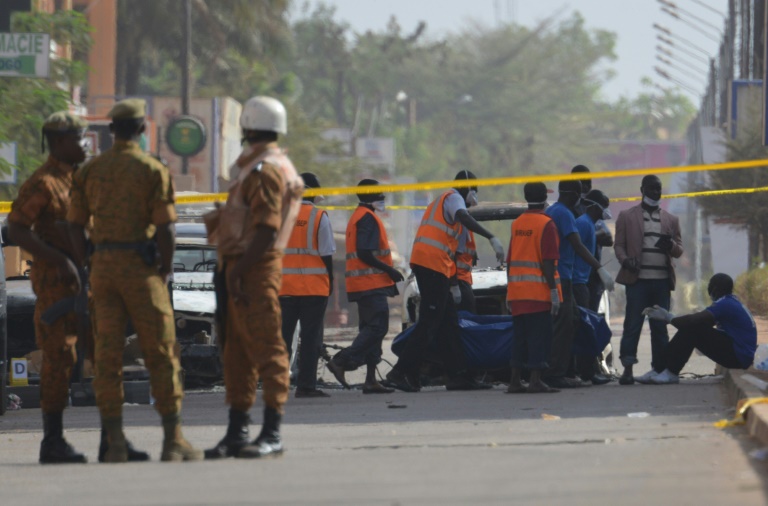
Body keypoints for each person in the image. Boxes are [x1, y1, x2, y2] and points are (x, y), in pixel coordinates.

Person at [67, 99, 201, 463]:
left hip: (103, 271)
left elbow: (74, 226)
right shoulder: (151, 169)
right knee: (161, 352)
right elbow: (166, 228)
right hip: (141, 271)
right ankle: (173, 441)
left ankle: (115, 443)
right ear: (142, 129)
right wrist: (165, 270)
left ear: (112, 130)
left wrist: (88, 261)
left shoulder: (90, 170)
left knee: (107, 357)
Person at [9, 112, 146, 464]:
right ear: (58, 143)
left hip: (92, 284)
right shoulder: (43, 183)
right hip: (57, 287)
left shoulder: (82, 180)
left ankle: (111, 441)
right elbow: (16, 229)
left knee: (107, 357)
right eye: (78, 138)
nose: (85, 144)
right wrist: (58, 260)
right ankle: (52, 442)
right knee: (59, 361)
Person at [204, 96, 304, 459]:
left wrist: (239, 272)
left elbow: (266, 228)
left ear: (247, 127)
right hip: (241, 265)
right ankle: (237, 431)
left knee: (267, 349)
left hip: (254, 268)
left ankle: (272, 432)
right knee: (237, 353)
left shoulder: (265, 169)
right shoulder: (258, 165)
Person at [385, 170, 505, 392]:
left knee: (448, 323)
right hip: (430, 265)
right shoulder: (452, 197)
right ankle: (400, 372)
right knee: (430, 322)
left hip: (436, 267)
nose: (474, 198)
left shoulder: (445, 210)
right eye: (474, 192)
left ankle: (458, 375)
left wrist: (452, 285)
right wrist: (491, 236)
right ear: (467, 188)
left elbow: (452, 252)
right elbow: (464, 216)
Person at [326, 180, 400, 394]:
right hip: (370, 284)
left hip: (365, 284)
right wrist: (389, 270)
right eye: (380, 195)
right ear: (370, 196)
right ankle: (341, 361)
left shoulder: (360, 216)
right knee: (377, 328)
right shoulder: (367, 219)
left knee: (372, 329)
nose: (383, 198)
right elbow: (364, 253)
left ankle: (370, 380)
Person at [543, 180, 615, 389]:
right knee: (568, 326)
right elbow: (577, 246)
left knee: (573, 323)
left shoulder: (560, 213)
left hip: (567, 278)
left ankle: (566, 370)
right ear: (573, 194)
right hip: (568, 278)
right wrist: (599, 269)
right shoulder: (568, 216)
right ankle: (560, 372)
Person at [614, 175, 683, 385]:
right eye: (652, 188)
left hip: (661, 282)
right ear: (642, 189)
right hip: (638, 281)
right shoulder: (627, 216)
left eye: (659, 189)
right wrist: (625, 261)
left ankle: (659, 369)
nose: (656, 192)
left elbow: (679, 250)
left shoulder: (671, 219)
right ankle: (627, 369)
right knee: (632, 325)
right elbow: (619, 245)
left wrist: (669, 245)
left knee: (659, 327)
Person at [642, 273, 757, 384]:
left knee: (693, 327)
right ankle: (659, 369)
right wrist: (673, 319)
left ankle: (670, 371)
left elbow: (693, 321)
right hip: (741, 354)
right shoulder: (730, 301)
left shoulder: (724, 304)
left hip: (739, 356)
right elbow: (701, 323)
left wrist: (668, 317)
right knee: (693, 327)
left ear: (714, 288)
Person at [279, 172, 335, 398]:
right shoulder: (319, 216)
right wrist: (329, 281)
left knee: (283, 338)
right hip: (313, 289)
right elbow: (327, 253)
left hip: (284, 288)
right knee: (311, 339)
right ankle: (305, 386)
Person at [505, 182, 562, 394]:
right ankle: (535, 380)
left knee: (519, 338)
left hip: (518, 292)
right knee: (540, 337)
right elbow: (548, 262)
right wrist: (554, 291)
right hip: (538, 293)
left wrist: (509, 289)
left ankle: (515, 381)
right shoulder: (547, 224)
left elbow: (511, 261)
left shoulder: (518, 223)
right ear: (544, 199)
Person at [572, 189, 613, 385]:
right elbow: (577, 250)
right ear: (595, 207)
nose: (604, 212)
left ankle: (588, 369)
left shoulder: (589, 224)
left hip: (585, 279)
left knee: (587, 326)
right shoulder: (583, 224)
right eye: (603, 208)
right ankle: (586, 370)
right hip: (579, 280)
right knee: (585, 327)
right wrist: (599, 270)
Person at [571, 165, 614, 310]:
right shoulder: (570, 211)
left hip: (593, 275)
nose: (585, 187)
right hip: (577, 276)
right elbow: (574, 242)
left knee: (591, 315)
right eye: (582, 182)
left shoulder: (594, 212)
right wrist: (594, 235)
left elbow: (608, 239)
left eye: (588, 183)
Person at [454, 212, 478, 312]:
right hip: (459, 280)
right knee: (469, 317)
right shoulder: (462, 223)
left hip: (462, 279)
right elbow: (453, 255)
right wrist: (454, 285)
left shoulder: (463, 223)